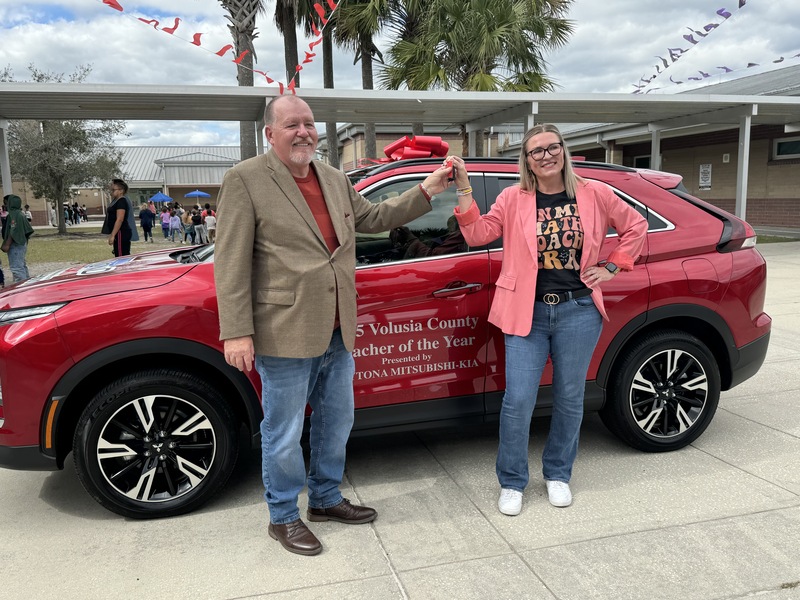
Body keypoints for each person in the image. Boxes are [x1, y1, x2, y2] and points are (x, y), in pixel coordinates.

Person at [214, 94, 453, 556]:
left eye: (309, 123)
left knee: (336, 420)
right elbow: (230, 262)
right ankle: (283, 516)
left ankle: (324, 499)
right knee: (282, 430)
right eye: (292, 125)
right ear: (270, 133)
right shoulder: (245, 180)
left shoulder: (333, 177)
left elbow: (375, 217)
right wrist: (236, 330)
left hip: (339, 326)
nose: (304, 131)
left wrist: (427, 189)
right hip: (284, 328)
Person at [450, 124, 647, 516]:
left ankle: (558, 473)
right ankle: (512, 481)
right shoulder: (513, 198)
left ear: (563, 150)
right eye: (535, 151)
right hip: (527, 312)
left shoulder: (594, 193)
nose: (545, 156)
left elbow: (635, 226)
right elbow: (477, 234)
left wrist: (612, 266)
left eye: (551, 147)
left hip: (578, 310)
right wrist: (464, 189)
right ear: (526, 160)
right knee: (518, 400)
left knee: (570, 397)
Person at [1, 194, 34, 282]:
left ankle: (21, 287)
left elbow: (13, 230)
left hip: (15, 245)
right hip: (21, 244)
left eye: (5, 203)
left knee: (17, 268)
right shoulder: (20, 214)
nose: (4, 206)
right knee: (22, 265)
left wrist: (7, 244)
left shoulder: (14, 215)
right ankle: (27, 283)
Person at [101, 179, 132, 257]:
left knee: (121, 256)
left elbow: (120, 219)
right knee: (118, 254)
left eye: (113, 190)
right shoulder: (116, 201)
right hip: (118, 232)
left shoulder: (121, 201)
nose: (112, 192)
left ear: (121, 190)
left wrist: (113, 235)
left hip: (121, 232)